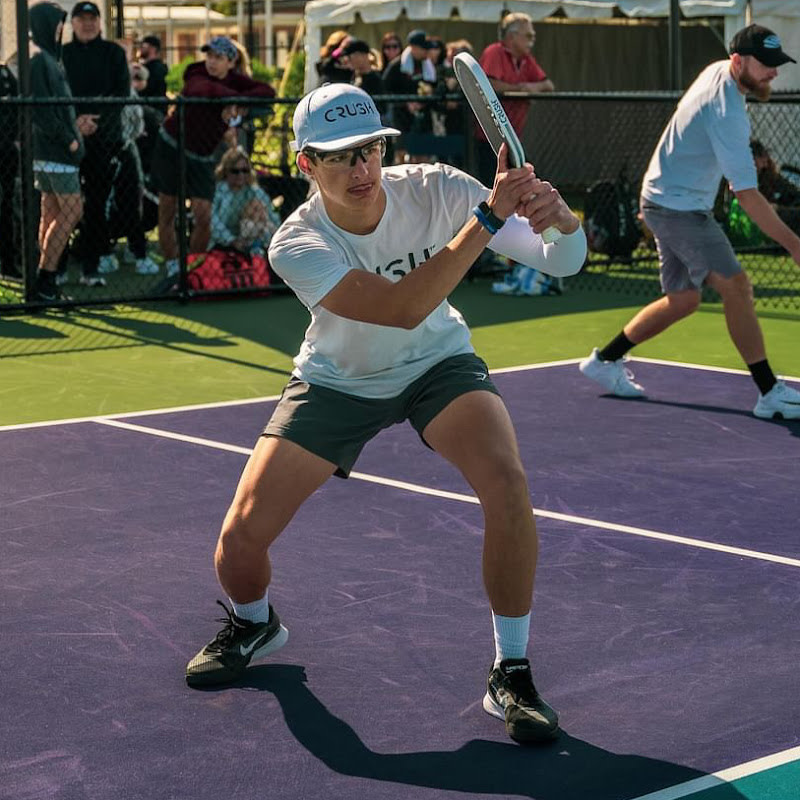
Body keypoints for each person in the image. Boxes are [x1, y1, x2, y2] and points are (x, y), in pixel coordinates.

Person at [184, 83, 587, 745]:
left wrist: (560, 218)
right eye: (339, 157)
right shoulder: (297, 242)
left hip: (437, 366)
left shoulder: (437, 187)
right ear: (307, 164)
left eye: (369, 150)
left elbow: (562, 261)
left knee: (507, 484)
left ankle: (510, 672)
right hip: (339, 379)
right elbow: (400, 308)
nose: (361, 168)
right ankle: (255, 623)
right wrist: (486, 220)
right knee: (239, 544)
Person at [579, 24, 800, 421]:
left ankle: (604, 360)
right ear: (738, 61)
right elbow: (748, 196)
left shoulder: (719, 71)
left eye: (776, 64)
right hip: (678, 208)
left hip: (664, 197)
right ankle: (768, 392)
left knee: (684, 300)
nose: (773, 72)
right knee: (736, 285)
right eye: (766, 64)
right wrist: (795, 244)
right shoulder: (727, 111)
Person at [151, 36, 274, 277]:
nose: (211, 62)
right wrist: (232, 98)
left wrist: (237, 102)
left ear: (231, 62)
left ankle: (191, 268)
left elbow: (266, 91)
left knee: (204, 216)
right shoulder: (195, 72)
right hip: (171, 148)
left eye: (218, 57)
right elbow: (200, 89)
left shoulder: (237, 81)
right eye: (209, 55)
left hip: (202, 156)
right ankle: (172, 267)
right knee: (168, 210)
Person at [62, 0, 130, 287]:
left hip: (104, 141)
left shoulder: (113, 52)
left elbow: (121, 92)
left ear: (100, 22)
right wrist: (75, 122)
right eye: (81, 18)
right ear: (72, 23)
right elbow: (58, 94)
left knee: (96, 205)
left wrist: (95, 121)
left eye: (92, 18)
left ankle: (92, 267)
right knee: (60, 206)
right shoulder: (60, 54)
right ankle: (57, 268)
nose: (87, 23)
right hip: (67, 142)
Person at [28, 1, 86, 302]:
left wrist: (75, 128)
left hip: (52, 150)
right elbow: (41, 110)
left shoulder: (48, 58)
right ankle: (46, 279)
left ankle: (44, 281)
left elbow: (55, 108)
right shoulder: (40, 59)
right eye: (57, 21)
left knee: (52, 212)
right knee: (71, 212)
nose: (61, 27)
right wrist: (69, 140)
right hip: (55, 152)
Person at [477, 13, 554, 188]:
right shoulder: (494, 52)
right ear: (512, 37)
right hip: (490, 137)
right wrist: (520, 89)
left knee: (525, 181)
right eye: (528, 35)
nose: (532, 40)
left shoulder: (526, 59)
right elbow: (487, 84)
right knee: (492, 186)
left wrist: (530, 87)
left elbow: (548, 84)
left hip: (513, 138)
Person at [210, 147, 279, 255]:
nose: (241, 175)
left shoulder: (254, 191)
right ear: (226, 171)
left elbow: (271, 216)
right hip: (222, 242)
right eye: (235, 171)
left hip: (250, 240)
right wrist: (231, 240)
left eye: (245, 171)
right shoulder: (219, 191)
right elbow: (212, 220)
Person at [382, 29, 437, 163]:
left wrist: (427, 97)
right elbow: (385, 89)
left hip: (423, 117)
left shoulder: (428, 66)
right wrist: (406, 102)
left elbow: (434, 86)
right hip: (401, 117)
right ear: (414, 48)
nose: (427, 52)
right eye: (424, 49)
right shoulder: (397, 66)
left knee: (423, 155)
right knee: (401, 153)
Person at [137, 34, 168, 107]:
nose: (140, 49)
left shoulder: (157, 68)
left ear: (152, 49)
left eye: (143, 46)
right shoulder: (149, 67)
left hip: (154, 108)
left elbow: (147, 88)